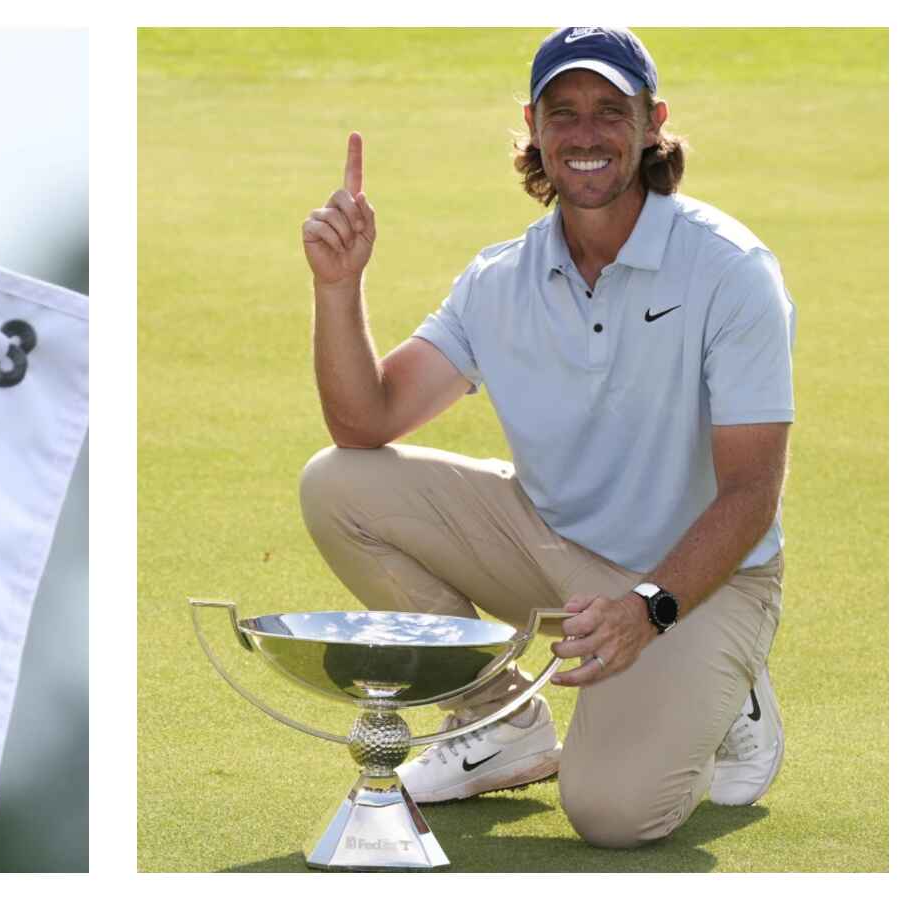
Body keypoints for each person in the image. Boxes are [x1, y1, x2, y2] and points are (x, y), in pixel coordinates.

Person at [297, 26, 793, 849]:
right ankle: (500, 722)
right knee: (338, 483)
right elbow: (365, 420)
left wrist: (650, 608)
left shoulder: (729, 269)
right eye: (563, 113)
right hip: (555, 551)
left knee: (611, 815)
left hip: (700, 584)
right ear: (533, 127)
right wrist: (339, 288)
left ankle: (728, 681)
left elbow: (750, 494)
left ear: (652, 120)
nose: (586, 134)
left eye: (610, 110)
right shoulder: (500, 279)